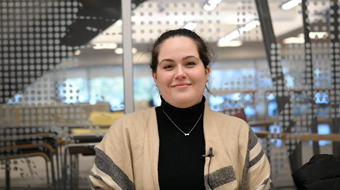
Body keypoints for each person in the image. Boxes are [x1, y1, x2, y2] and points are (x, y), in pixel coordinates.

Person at [89, 28, 274, 190]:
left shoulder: (238, 132)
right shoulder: (125, 131)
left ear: (207, 72)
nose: (180, 74)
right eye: (168, 66)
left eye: (190, 63)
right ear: (155, 77)